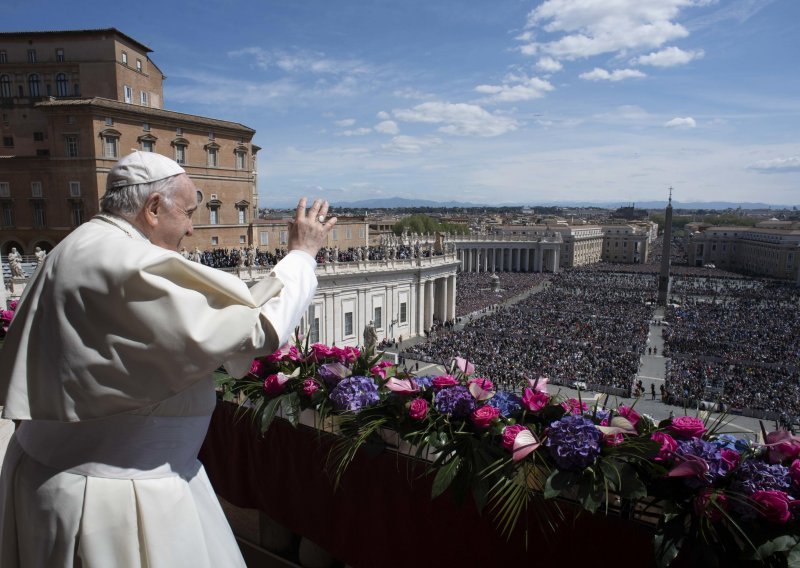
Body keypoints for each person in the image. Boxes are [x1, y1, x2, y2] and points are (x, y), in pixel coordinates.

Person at [0, 151, 337, 567]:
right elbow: (254, 331)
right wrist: (302, 256)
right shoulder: (127, 262)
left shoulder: (77, 245)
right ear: (154, 208)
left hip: (52, 476)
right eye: (190, 213)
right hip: (115, 499)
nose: (193, 228)